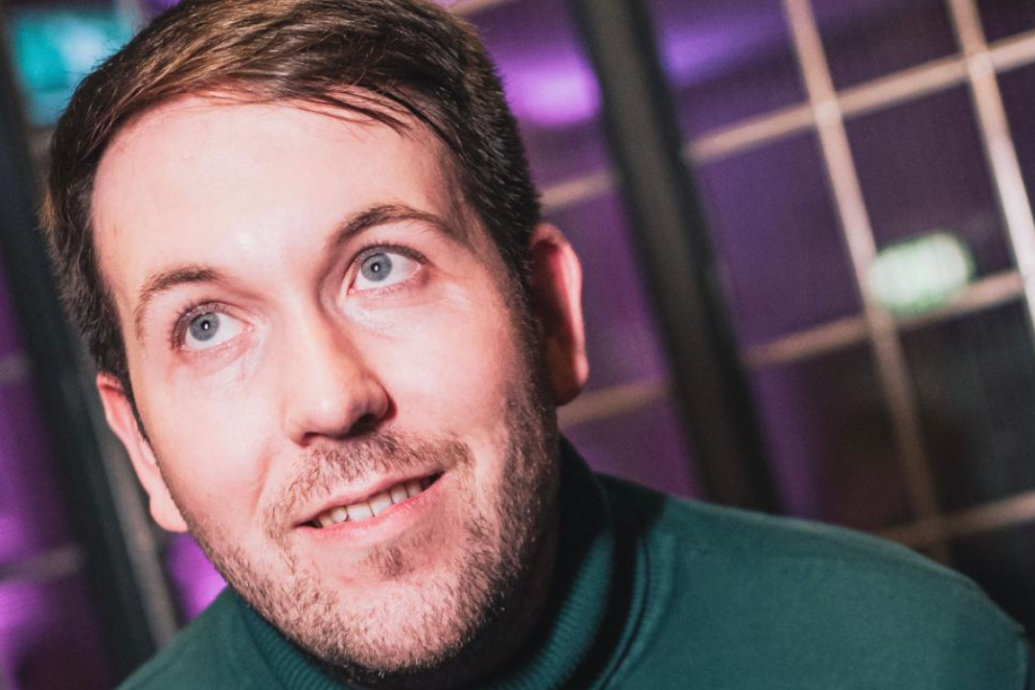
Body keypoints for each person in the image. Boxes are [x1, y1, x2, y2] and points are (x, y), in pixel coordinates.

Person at [40, 0, 1032, 687]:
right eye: (206, 326)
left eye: (382, 266)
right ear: (141, 451)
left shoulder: (910, 659)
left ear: (549, 314)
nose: (329, 398)